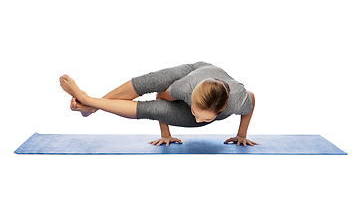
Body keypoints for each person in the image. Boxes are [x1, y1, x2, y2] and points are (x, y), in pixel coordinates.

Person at [59, 61, 258, 147]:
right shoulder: (184, 89)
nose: (197, 120)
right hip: (196, 70)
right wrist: (166, 134)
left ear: (223, 109)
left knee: (155, 111)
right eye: (196, 112)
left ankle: (91, 103)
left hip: (209, 90)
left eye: (204, 117)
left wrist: (241, 135)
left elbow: (251, 99)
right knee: (152, 80)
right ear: (191, 99)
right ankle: (91, 105)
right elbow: (160, 95)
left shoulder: (237, 101)